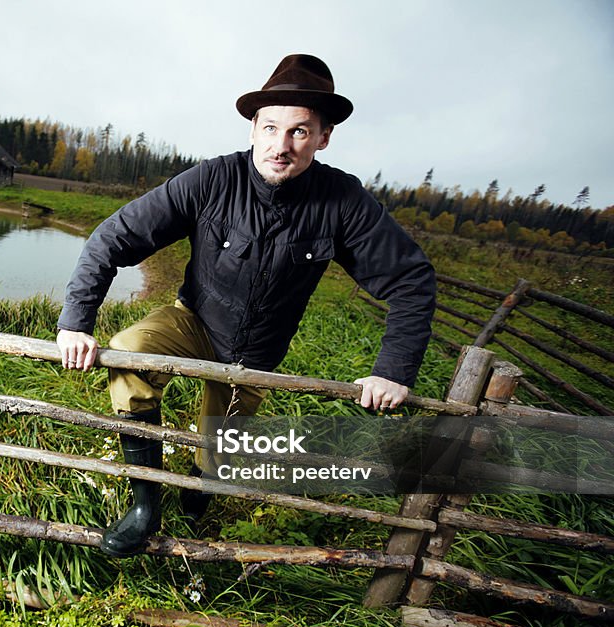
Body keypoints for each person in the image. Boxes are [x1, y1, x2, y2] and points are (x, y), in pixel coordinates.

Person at [56, 54, 436, 558]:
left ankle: (199, 487)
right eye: (272, 127)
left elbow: (411, 280)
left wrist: (392, 370)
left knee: (220, 451)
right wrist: (76, 323)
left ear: (323, 137)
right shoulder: (211, 180)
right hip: (193, 320)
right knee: (130, 354)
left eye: (300, 132)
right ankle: (145, 504)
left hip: (256, 354)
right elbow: (113, 237)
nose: (282, 146)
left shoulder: (343, 201)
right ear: (253, 126)